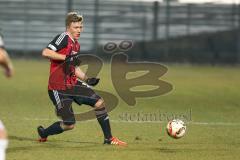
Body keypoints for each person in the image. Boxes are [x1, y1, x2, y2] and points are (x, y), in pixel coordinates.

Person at [37, 12, 127, 146]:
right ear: (68, 27)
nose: (79, 30)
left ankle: (108, 139)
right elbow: (45, 52)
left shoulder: (76, 44)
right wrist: (65, 57)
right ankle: (44, 133)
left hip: (73, 84)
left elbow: (74, 67)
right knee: (69, 124)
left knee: (99, 103)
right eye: (76, 27)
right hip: (58, 88)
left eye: (80, 27)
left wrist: (87, 79)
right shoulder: (63, 38)